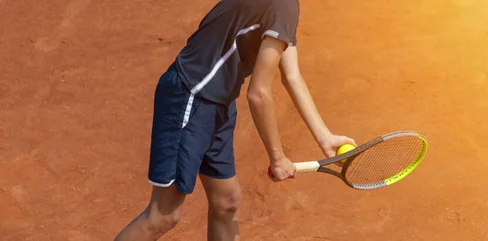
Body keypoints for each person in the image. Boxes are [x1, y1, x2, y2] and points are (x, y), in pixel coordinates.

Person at [114, 0, 356, 240]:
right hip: (191, 96)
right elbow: (258, 94)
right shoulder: (283, 5)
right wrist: (277, 157)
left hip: (219, 102)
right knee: (164, 215)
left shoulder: (285, 6)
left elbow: (292, 76)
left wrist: (325, 137)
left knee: (226, 202)